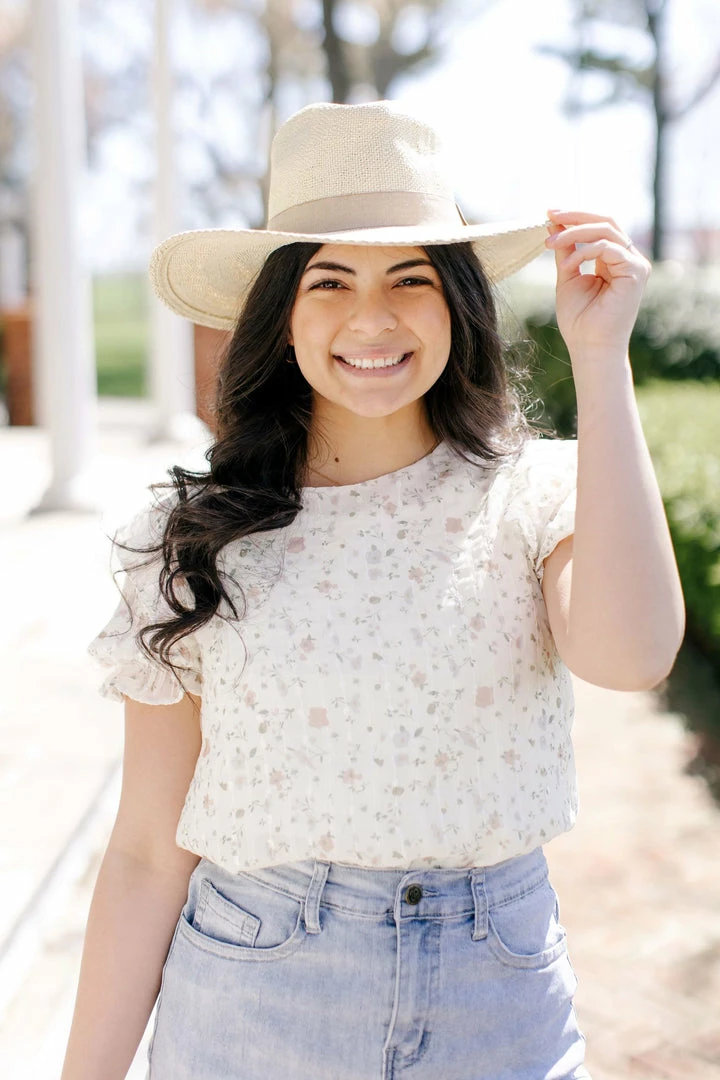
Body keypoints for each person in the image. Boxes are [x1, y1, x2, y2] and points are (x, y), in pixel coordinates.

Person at [60, 100, 685, 1080]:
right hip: (253, 997)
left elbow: (633, 654)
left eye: (411, 278)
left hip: (498, 1002)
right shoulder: (188, 537)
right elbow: (145, 849)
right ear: (281, 311)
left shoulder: (538, 494)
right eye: (329, 280)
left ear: (458, 305)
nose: (373, 318)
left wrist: (599, 358)